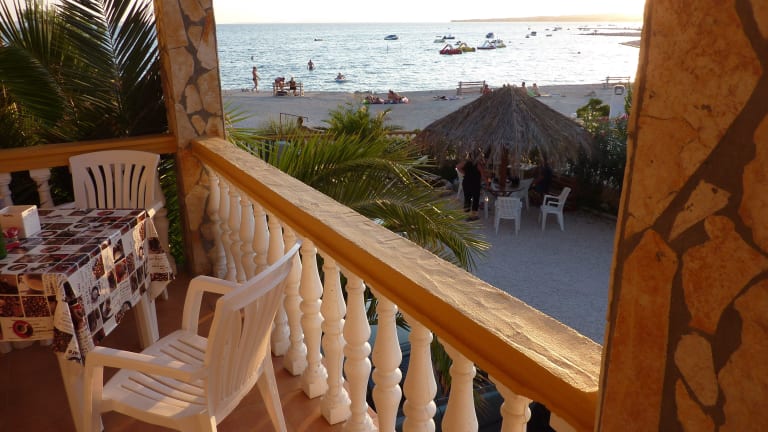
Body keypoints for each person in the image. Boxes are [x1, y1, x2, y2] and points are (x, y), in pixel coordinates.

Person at [457, 153, 485, 221]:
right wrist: (486, 184)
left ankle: (467, 215)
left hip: (466, 183)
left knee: (467, 198)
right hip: (475, 184)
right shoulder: (478, 164)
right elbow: (483, 175)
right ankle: (473, 216)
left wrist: (464, 173)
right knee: (475, 199)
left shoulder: (466, 163)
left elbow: (457, 166)